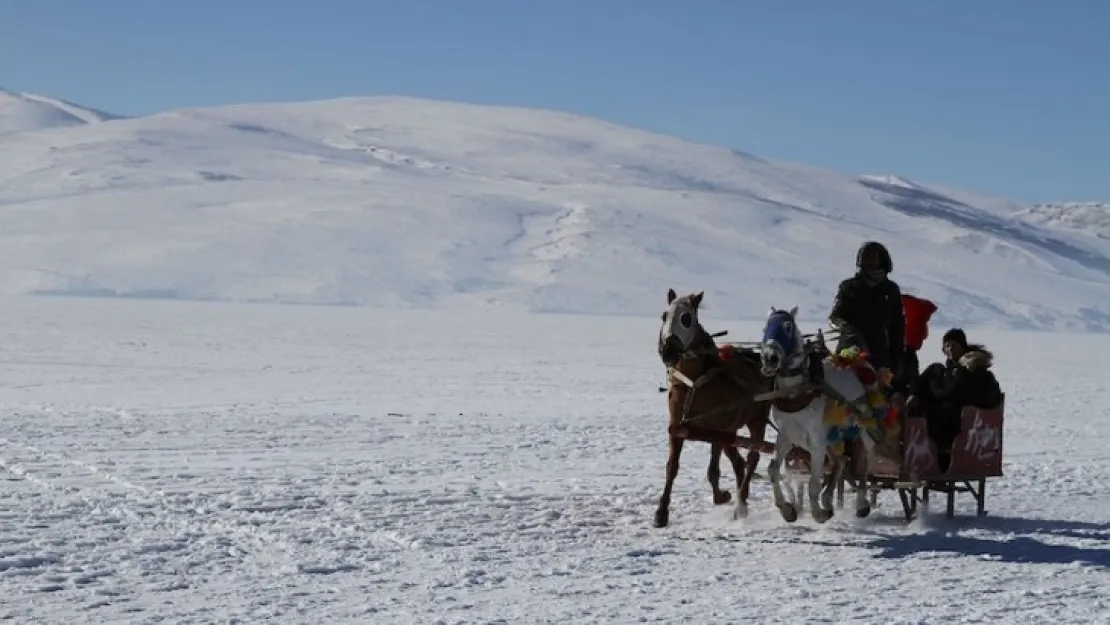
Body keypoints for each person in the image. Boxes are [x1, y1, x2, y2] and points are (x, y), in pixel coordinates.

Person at [907, 328, 1003, 471]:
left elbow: (956, 393)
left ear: (962, 347)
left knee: (934, 409)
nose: (950, 348)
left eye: (954, 345)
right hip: (957, 418)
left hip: (966, 424)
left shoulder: (973, 369)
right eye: (947, 345)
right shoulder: (949, 371)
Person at [829, 241, 905, 377]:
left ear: (881, 260)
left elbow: (897, 327)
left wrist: (897, 359)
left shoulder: (891, 289)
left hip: (879, 354)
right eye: (865, 257)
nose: (869, 261)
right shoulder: (848, 286)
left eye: (872, 257)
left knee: (876, 394)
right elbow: (835, 316)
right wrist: (846, 327)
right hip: (849, 349)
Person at [895, 293, 938, 394]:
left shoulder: (900, 310)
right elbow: (924, 335)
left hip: (896, 350)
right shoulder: (920, 314)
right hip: (911, 353)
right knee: (910, 385)